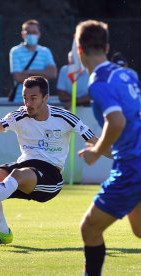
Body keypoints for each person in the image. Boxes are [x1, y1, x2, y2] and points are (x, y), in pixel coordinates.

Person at [0, 76, 107, 246]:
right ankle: (3, 233)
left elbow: (98, 141)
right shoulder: (19, 115)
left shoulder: (65, 117)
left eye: (33, 98)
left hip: (50, 176)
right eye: (25, 98)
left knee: (17, 174)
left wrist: (126, 156)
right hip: (24, 167)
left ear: (45, 98)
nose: (28, 103)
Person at [75, 20, 141, 276]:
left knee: (89, 228)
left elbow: (117, 121)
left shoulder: (98, 83)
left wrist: (96, 150)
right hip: (135, 160)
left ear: (79, 50)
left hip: (132, 167)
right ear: (107, 46)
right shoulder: (128, 74)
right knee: (139, 230)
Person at [9, 19, 57, 103]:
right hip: (21, 101)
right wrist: (43, 74)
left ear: (39, 34)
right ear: (23, 34)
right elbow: (18, 77)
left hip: (42, 103)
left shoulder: (45, 51)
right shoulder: (15, 51)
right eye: (28, 32)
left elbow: (52, 74)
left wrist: (30, 72)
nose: (31, 35)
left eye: (34, 32)